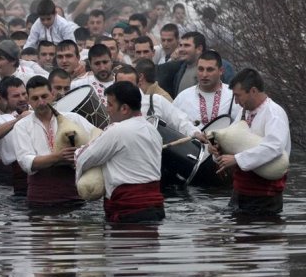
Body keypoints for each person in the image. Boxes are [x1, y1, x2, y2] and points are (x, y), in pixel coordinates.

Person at [76, 81, 164, 223]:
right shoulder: (153, 130)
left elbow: (85, 158)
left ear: (124, 108)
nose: (107, 108)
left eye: (110, 104)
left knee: (122, 245)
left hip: (128, 211)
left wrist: (78, 151)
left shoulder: (117, 130)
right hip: (156, 208)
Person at [212, 68, 291, 215]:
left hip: (264, 197)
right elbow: (232, 143)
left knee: (258, 237)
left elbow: (274, 147)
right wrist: (218, 150)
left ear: (253, 91)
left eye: (238, 96)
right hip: (240, 191)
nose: (236, 101)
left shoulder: (274, 113)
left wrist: (237, 159)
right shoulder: (244, 112)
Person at [13, 76, 94, 206]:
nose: (41, 102)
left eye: (44, 96)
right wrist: (57, 157)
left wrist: (79, 154)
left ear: (52, 94)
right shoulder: (21, 126)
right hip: (40, 196)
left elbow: (96, 141)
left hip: (74, 192)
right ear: (28, 100)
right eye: (35, 98)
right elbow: (26, 162)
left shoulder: (73, 118)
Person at [173, 50, 240, 127]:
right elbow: (172, 126)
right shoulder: (183, 98)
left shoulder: (233, 95)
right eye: (201, 69)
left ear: (221, 71)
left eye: (210, 70)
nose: (204, 74)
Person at [0, 77, 31, 195]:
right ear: (2, 98)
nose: (22, 99)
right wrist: (17, 120)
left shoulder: (36, 111)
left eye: (24, 94)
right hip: (17, 175)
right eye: (16, 96)